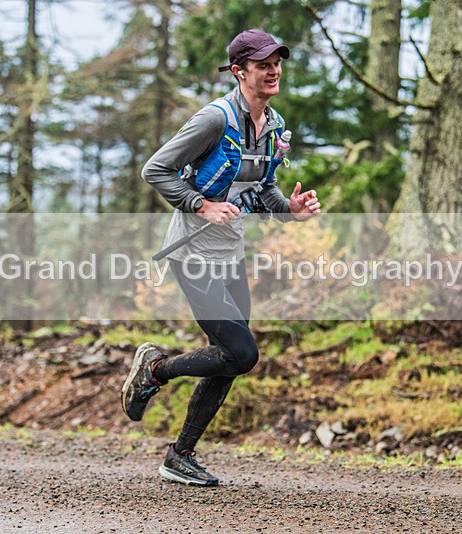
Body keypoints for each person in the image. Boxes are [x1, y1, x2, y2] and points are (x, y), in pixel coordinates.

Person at [121, 29, 321, 486]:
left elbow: (261, 188)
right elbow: (155, 170)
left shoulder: (273, 125)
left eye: (277, 62)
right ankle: (155, 370)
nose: (274, 71)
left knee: (229, 358)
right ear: (239, 71)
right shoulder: (213, 120)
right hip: (191, 254)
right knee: (242, 352)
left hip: (230, 255)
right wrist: (201, 205)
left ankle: (180, 455)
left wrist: (289, 210)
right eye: (263, 64)